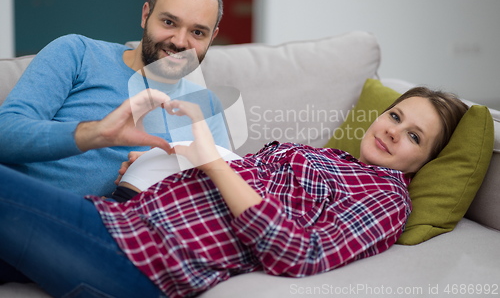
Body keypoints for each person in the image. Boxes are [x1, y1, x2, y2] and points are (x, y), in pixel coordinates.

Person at [0, 85, 468, 297]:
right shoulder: (329, 157)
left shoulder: (387, 200)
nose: (393, 131)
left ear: (423, 162)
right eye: (396, 116)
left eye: (414, 137)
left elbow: (301, 253)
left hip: (138, 261)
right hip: (119, 217)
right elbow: (236, 179)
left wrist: (213, 163)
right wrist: (165, 164)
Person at [0, 0, 230, 197]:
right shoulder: (78, 54)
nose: (180, 42)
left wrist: (155, 181)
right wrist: (97, 133)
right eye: (169, 22)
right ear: (145, 15)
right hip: (29, 206)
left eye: (198, 32)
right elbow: (5, 134)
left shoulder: (206, 106)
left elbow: (224, 190)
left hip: (125, 225)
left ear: (213, 37)